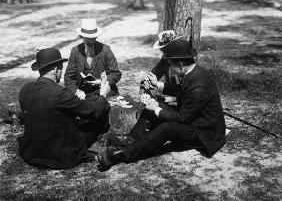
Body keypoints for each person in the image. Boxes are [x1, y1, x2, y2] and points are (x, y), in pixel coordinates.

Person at [97, 38, 226, 171]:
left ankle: (119, 155)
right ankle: (131, 139)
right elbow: (180, 90)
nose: (170, 68)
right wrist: (157, 85)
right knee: (152, 109)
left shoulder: (199, 84)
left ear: (181, 64)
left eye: (171, 65)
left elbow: (182, 118)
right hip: (192, 119)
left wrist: (157, 109)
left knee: (166, 128)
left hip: (203, 132)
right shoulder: (193, 72)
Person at [18, 48, 111, 169]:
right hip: (60, 155)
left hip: (31, 152)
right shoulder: (59, 92)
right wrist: (103, 94)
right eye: (61, 68)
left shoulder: (25, 89)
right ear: (56, 69)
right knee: (102, 111)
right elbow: (92, 111)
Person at [64, 18, 122, 100]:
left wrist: (101, 81)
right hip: (83, 94)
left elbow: (116, 73)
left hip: (104, 93)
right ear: (81, 36)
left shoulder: (105, 50)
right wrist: (77, 92)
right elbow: (69, 78)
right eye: (88, 39)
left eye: (94, 38)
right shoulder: (75, 51)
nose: (91, 41)